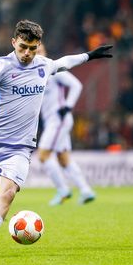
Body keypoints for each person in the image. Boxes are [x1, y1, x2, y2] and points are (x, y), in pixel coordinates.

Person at [0, 19, 112, 255]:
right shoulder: (1, 67)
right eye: (23, 46)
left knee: (8, 193)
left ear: (38, 46)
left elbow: (63, 63)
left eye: (32, 48)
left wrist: (89, 55)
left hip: (20, 148)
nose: (27, 53)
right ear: (14, 42)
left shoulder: (43, 65)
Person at [37, 44, 95, 205]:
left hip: (58, 120)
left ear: (45, 52)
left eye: (40, 50)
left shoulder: (53, 70)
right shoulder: (36, 73)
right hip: (52, 121)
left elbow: (76, 85)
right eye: (35, 50)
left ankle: (63, 190)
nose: (37, 53)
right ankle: (85, 190)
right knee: (63, 158)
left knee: (43, 155)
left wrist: (68, 106)